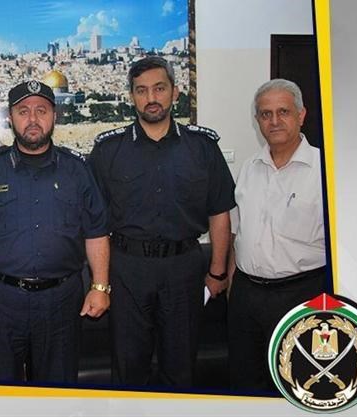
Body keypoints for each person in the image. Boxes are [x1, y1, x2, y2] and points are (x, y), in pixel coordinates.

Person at [88, 57, 235, 387]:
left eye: (159, 88)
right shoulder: (108, 150)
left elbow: (219, 212)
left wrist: (217, 272)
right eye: (141, 90)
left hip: (184, 268)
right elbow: (93, 223)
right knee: (128, 367)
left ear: (175, 92)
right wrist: (100, 283)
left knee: (181, 367)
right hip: (127, 268)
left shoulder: (202, 147)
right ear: (132, 96)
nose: (151, 98)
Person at [0, 80, 110, 383]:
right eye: (23, 111)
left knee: (57, 393)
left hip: (61, 302)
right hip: (0, 302)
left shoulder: (77, 169)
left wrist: (100, 287)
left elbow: (96, 232)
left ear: (54, 116)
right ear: (10, 118)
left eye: (41, 110)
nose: (33, 119)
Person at [227, 79, 327, 391]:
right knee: (244, 382)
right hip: (246, 295)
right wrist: (231, 283)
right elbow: (238, 232)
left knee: (299, 384)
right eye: (265, 114)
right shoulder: (249, 168)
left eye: (283, 112)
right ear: (257, 121)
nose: (274, 121)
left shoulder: (325, 170)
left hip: (302, 295)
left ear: (301, 115)